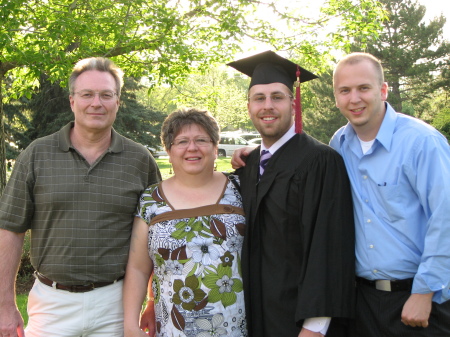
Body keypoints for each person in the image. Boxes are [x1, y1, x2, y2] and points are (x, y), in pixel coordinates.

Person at [0, 57, 161, 337]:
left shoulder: (140, 160)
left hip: (116, 304)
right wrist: (4, 304)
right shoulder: (36, 155)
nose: (96, 103)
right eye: (87, 94)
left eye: (106, 95)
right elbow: (10, 229)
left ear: (117, 102)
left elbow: (158, 235)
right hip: (51, 304)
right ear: (72, 101)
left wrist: (152, 300)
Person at [227, 50, 356, 337]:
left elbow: (329, 248)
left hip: (301, 322)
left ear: (293, 102)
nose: (267, 106)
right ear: (248, 105)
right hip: (255, 314)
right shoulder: (249, 167)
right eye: (259, 98)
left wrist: (315, 326)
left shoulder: (320, 161)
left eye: (277, 96)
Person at [330, 52, 450, 336]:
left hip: (420, 301)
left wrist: (424, 291)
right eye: (344, 91)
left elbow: (445, 218)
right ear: (336, 97)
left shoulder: (422, 142)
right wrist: (259, 155)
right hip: (364, 303)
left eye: (364, 88)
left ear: (382, 90)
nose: (354, 99)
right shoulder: (339, 144)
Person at [123, 108, 248, 337]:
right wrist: (130, 323)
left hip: (237, 327)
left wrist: (254, 152)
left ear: (215, 146)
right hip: (172, 329)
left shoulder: (242, 189)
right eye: (182, 141)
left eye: (201, 140)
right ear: (169, 150)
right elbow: (138, 268)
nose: (192, 148)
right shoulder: (151, 200)